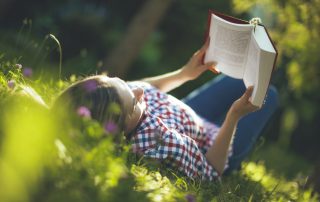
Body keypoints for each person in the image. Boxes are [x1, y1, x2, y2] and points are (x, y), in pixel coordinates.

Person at [52, 41, 278, 181]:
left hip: (189, 116)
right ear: (119, 129)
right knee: (270, 93)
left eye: (123, 83)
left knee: (241, 80)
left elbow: (147, 88)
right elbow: (212, 170)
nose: (139, 90)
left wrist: (184, 74)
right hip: (218, 146)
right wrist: (234, 116)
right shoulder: (162, 142)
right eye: (133, 99)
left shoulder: (119, 102)